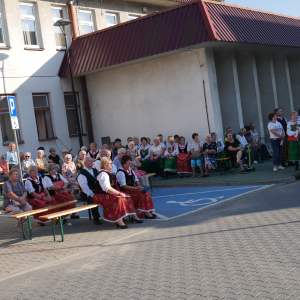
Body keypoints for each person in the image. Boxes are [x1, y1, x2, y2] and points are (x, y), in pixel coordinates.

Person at [94, 157, 139, 229]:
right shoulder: (102, 174)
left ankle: (134, 216)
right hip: (102, 195)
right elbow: (107, 188)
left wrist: (119, 193)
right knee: (118, 199)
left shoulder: (109, 173)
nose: (112, 165)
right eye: (110, 163)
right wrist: (119, 193)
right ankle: (119, 220)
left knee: (127, 196)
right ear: (105, 165)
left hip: (109, 193)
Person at [116, 155, 156, 219]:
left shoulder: (129, 169)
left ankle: (148, 211)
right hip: (127, 191)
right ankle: (146, 212)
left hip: (133, 189)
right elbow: (124, 186)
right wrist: (136, 188)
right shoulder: (120, 172)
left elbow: (136, 179)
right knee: (142, 194)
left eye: (130, 161)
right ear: (124, 162)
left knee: (146, 192)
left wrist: (139, 185)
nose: (130, 162)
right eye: (128, 161)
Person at [77, 157, 102, 225]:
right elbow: (84, 187)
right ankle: (96, 218)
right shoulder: (82, 174)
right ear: (85, 163)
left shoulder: (95, 170)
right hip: (86, 193)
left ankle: (110, 216)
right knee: (93, 200)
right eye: (90, 161)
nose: (92, 162)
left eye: (92, 161)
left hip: (96, 191)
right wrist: (92, 194)